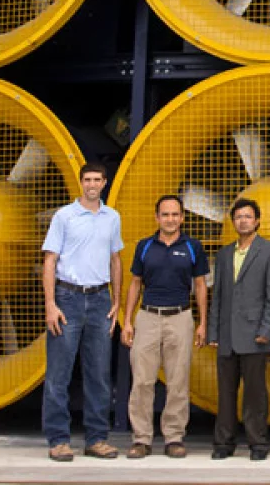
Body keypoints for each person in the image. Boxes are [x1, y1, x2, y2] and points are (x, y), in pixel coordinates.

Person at [41, 161, 124, 462]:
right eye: (87, 179)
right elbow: (50, 260)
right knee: (59, 373)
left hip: (100, 298)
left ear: (104, 183)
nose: (91, 184)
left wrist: (117, 301)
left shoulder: (112, 217)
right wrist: (51, 304)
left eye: (97, 179)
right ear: (81, 183)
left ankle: (97, 438)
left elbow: (115, 259)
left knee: (99, 373)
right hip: (68, 298)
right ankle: (59, 439)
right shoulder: (64, 216)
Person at [121, 195, 209, 460]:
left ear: (182, 217)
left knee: (178, 380)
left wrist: (202, 322)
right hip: (148, 317)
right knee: (142, 380)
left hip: (180, 317)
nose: (170, 219)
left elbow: (201, 285)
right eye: (165, 214)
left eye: (175, 215)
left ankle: (173, 437)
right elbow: (135, 283)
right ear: (157, 217)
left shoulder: (193, 246)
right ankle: (141, 438)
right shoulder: (144, 246)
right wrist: (127, 321)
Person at [207, 198, 270, 461]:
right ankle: (223, 443)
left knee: (255, 393)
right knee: (225, 393)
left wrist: (267, 330)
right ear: (233, 222)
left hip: (255, 334)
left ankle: (258, 443)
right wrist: (214, 333)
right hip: (228, 334)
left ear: (257, 221)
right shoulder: (224, 253)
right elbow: (217, 296)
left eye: (248, 216)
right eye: (239, 217)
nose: (243, 221)